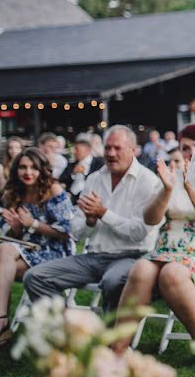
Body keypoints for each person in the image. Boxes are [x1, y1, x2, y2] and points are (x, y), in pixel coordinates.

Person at [22, 125, 163, 313]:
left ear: (132, 149)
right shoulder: (94, 179)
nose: (111, 153)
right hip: (93, 257)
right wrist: (90, 221)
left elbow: (139, 233)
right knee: (35, 276)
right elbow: (77, 233)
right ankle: (71, 328)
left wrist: (103, 213)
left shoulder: (148, 181)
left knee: (113, 281)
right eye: (107, 148)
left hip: (132, 257)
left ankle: (113, 338)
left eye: (117, 148)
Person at [114, 124, 195, 352]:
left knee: (173, 272)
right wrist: (167, 190)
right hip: (166, 248)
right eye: (183, 148)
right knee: (140, 269)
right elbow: (150, 219)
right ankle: (118, 350)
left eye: (190, 148)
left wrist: (190, 187)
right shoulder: (172, 175)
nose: (186, 154)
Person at [0, 148, 74, 350]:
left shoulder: (53, 190)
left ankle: (0, 322)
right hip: (28, 250)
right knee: (1, 255)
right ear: (16, 170)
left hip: (55, 252)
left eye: (33, 168)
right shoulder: (13, 193)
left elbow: (67, 230)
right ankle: (2, 321)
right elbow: (10, 236)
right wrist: (15, 229)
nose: (28, 172)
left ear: (42, 170)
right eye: (23, 167)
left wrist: (33, 224)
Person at [59, 133, 105, 203]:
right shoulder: (71, 165)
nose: (74, 152)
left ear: (87, 149)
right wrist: (73, 174)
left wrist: (83, 174)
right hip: (71, 199)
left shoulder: (99, 163)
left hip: (91, 198)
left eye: (77, 149)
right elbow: (62, 180)